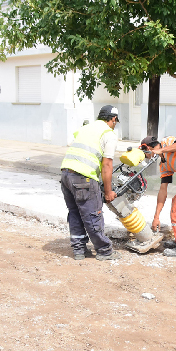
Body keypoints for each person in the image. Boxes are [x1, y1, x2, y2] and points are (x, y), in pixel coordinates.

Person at [59, 105, 120, 261]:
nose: (115, 124)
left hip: (66, 174)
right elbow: (107, 165)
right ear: (112, 119)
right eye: (115, 121)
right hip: (83, 177)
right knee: (93, 214)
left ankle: (79, 250)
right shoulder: (109, 134)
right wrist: (108, 192)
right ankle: (104, 250)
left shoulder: (86, 128)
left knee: (75, 212)